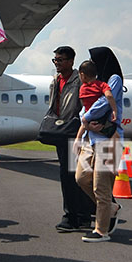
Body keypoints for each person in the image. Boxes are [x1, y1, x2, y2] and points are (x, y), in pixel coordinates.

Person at [41, 46, 95, 233]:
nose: (57, 63)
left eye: (61, 60)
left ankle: (73, 216)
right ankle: (81, 215)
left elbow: (84, 108)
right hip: (61, 133)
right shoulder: (56, 81)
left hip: (74, 134)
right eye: (55, 60)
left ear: (71, 61)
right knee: (69, 175)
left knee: (71, 175)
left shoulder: (78, 82)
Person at [74, 58, 120, 243]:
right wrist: (82, 132)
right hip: (90, 139)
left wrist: (86, 119)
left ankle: (101, 231)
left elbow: (104, 102)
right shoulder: (88, 87)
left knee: (100, 187)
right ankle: (110, 208)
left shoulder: (112, 81)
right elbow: (83, 112)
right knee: (81, 177)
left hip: (107, 140)